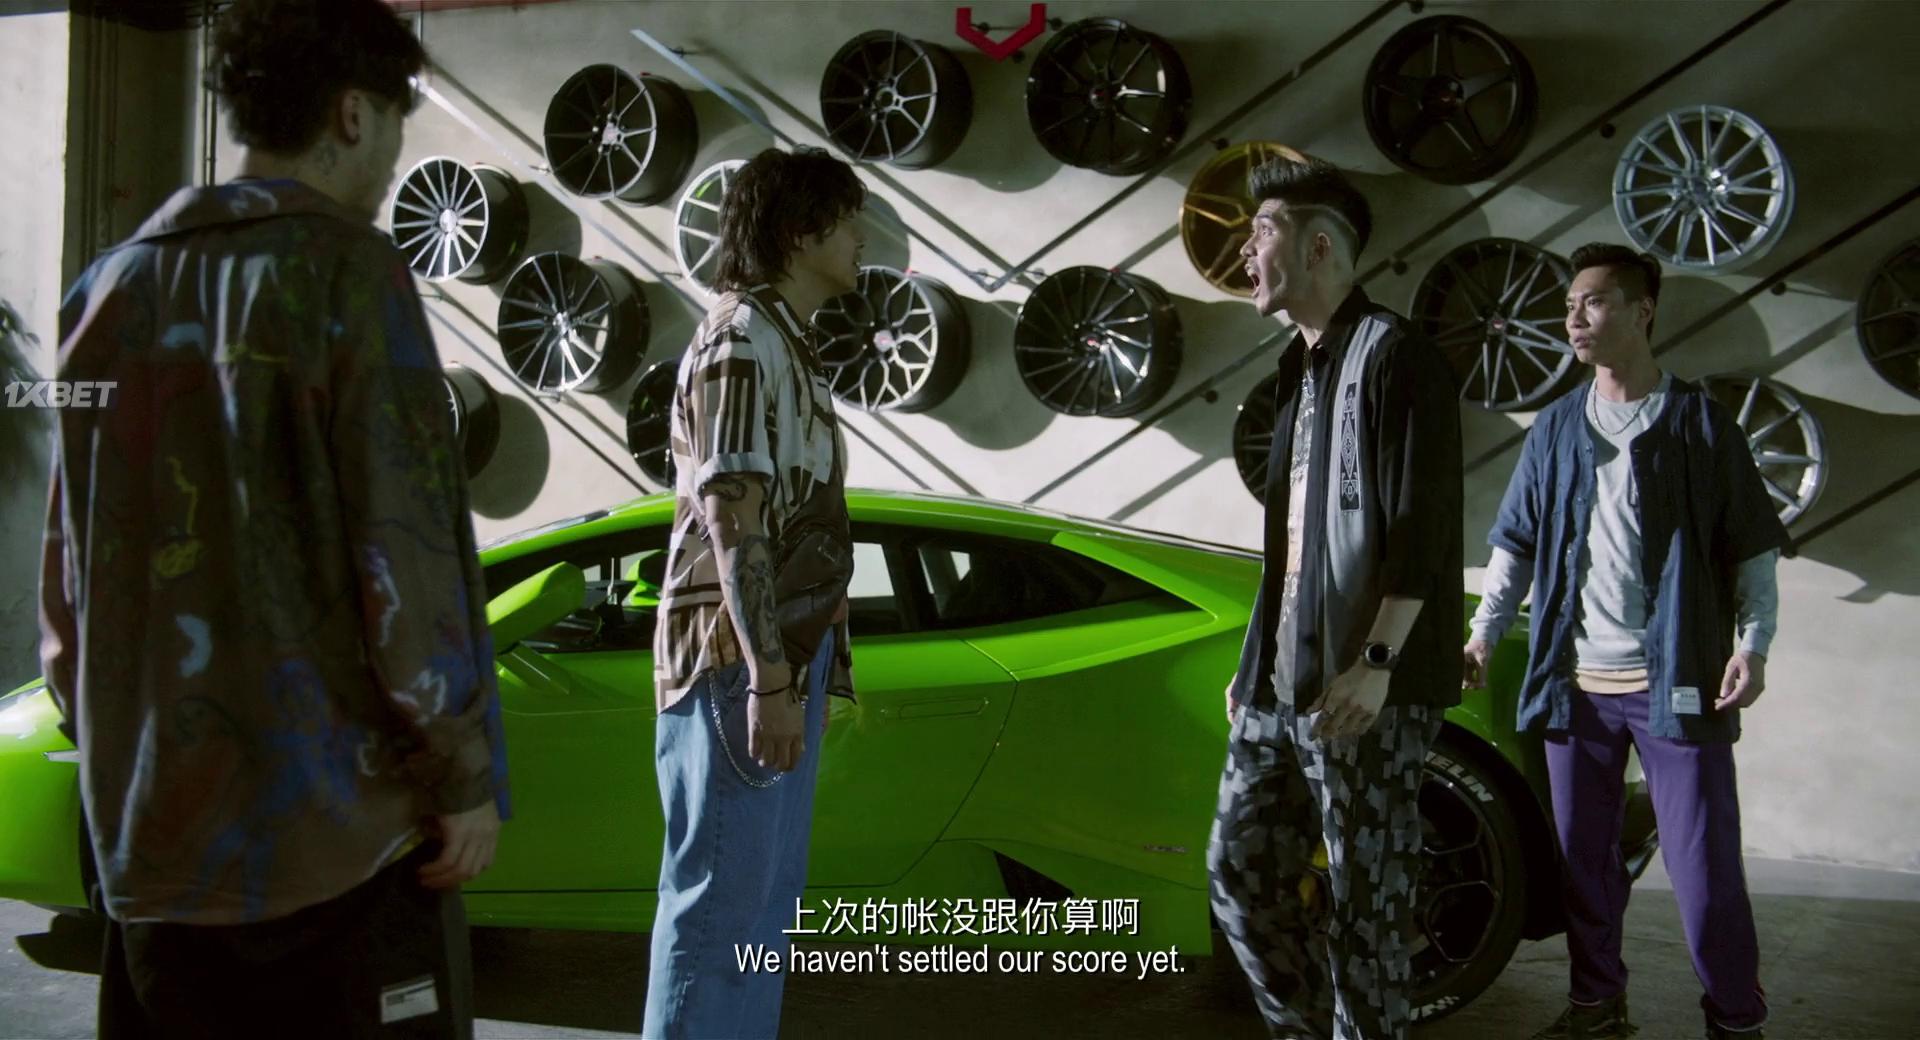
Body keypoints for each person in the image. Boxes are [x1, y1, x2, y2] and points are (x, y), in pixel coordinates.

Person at [36, 1, 508, 1035]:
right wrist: (462, 773)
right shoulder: (351, 276)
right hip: (332, 848)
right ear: (352, 114)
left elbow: (69, 584)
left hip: (155, 849)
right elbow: (405, 560)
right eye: (395, 122)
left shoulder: (104, 292)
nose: (393, 155)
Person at [1464, 244, 1783, 1040]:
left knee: (1704, 870)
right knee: (1584, 863)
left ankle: (1735, 1018)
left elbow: (1752, 547)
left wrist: (1754, 644)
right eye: (1570, 305)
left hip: (1677, 683)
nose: (1574, 318)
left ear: (1643, 312)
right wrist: (1482, 635)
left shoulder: (1700, 423)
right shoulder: (1554, 428)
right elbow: (1515, 546)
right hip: (1574, 687)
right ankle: (1597, 1004)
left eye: (1594, 302)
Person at [1208, 155, 1464, 1040]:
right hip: (1281, 688)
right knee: (1239, 876)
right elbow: (1291, 546)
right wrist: (1255, 666)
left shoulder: (1397, 358)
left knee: (1367, 909)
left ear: (1319, 246)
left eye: (1261, 231)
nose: (1245, 252)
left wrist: (1377, 663)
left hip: (1366, 689)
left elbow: (1423, 530)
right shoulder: (1297, 367)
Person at [644, 146, 863, 1039]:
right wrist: (770, 680)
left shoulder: (783, 342)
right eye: (848, 220)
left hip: (774, 657)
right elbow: (733, 518)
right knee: (719, 907)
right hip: (737, 658)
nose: (861, 239)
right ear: (801, 231)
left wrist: (806, 669)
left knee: (762, 910)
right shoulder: (738, 339)